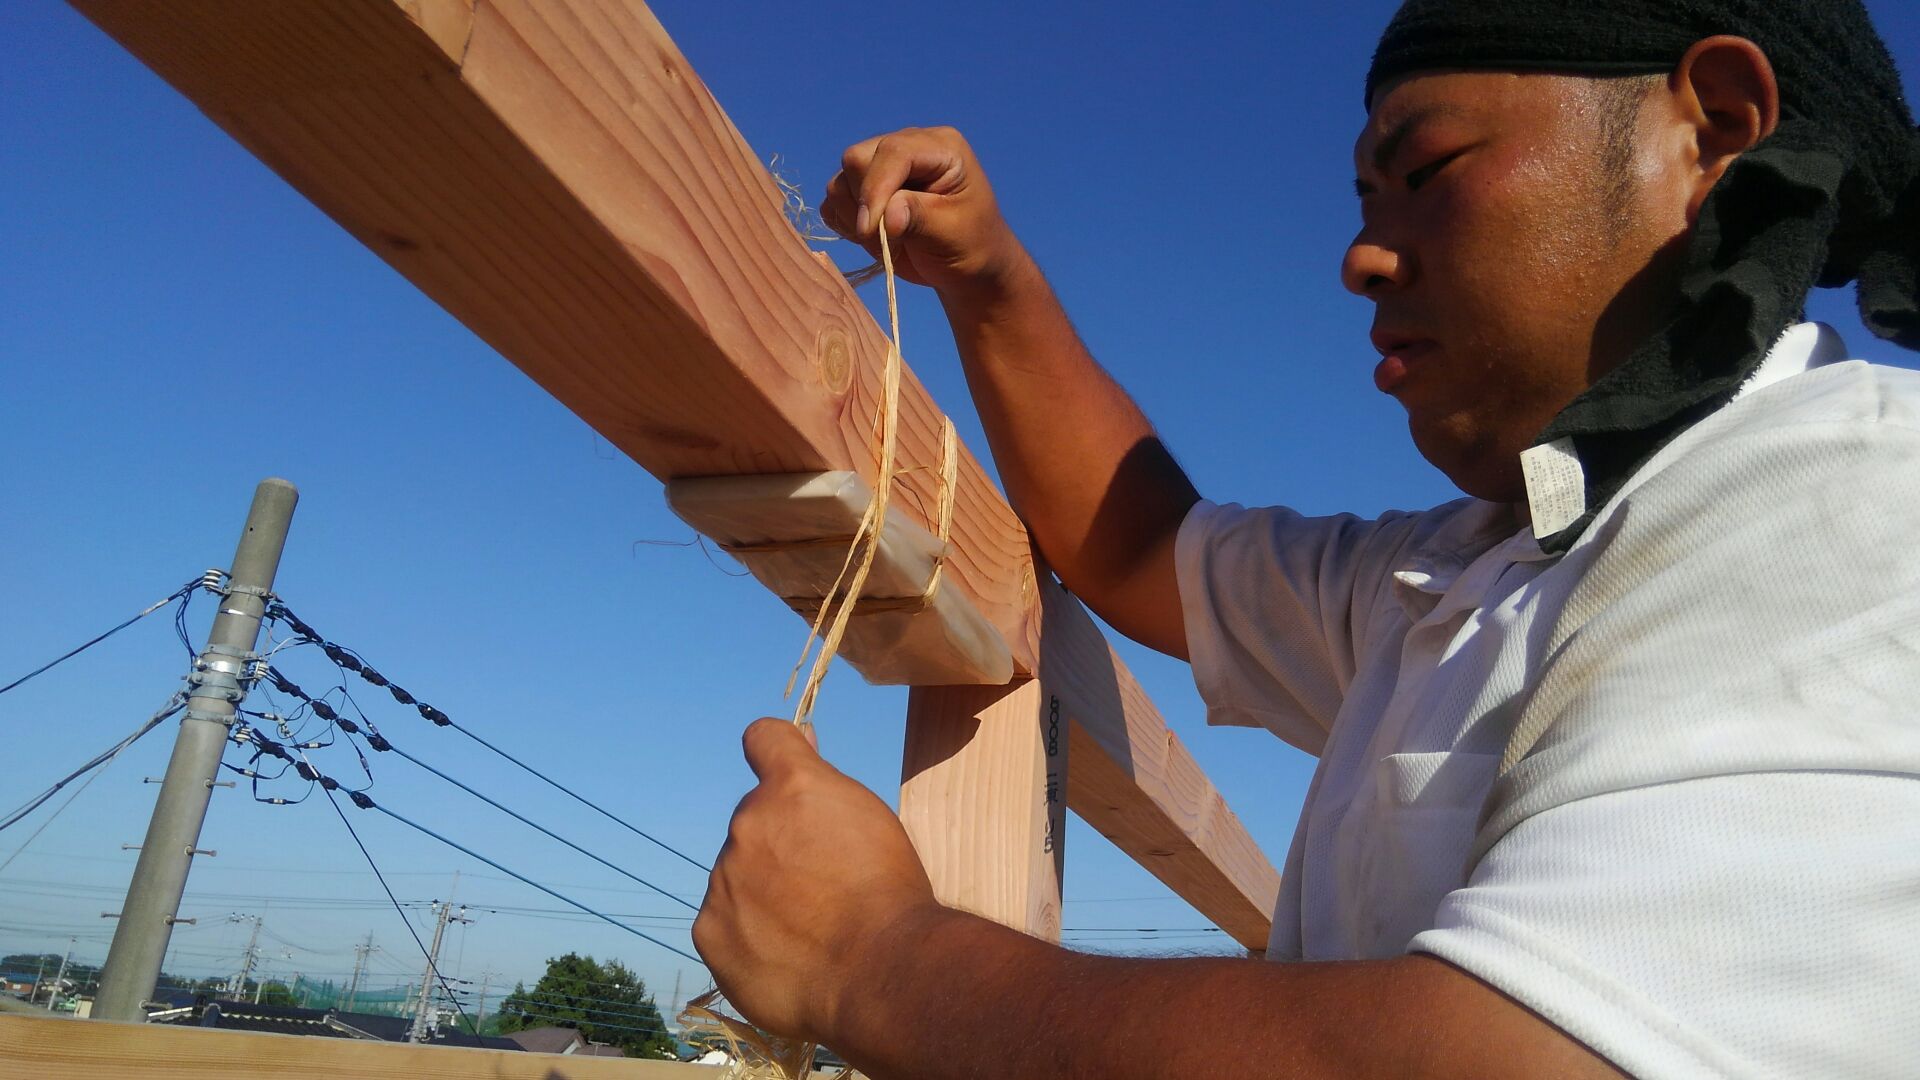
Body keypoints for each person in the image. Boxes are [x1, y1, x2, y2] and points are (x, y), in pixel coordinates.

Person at [692, 2, 1920, 1076]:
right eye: (1364, 201)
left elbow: (1523, 1060)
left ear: (1711, 129)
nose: (1360, 258)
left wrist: (877, 963)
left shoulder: (1848, 497)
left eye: (1427, 168)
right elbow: (1141, 551)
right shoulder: (1455, 575)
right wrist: (989, 281)